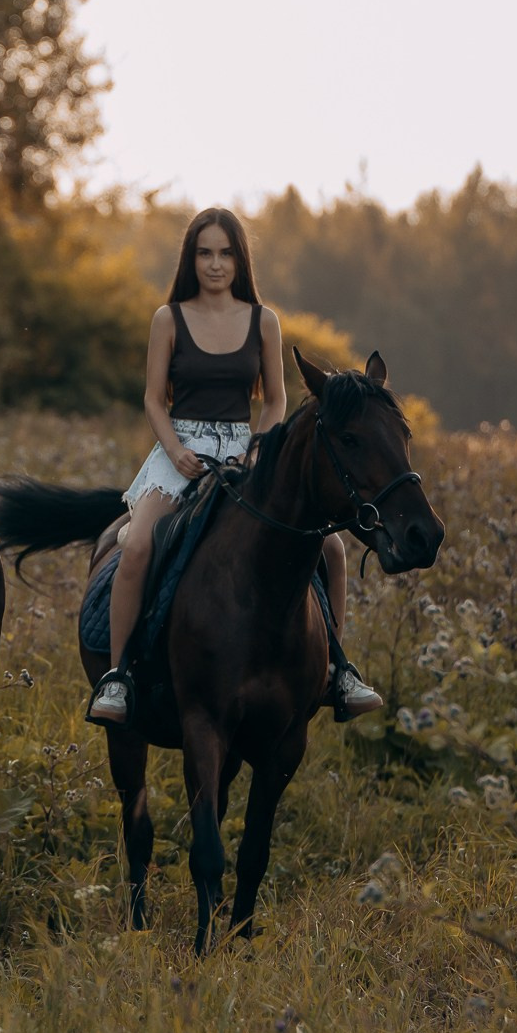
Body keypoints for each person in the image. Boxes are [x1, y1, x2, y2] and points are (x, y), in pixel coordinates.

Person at [88, 207, 382, 726]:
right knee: (135, 545)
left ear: (239, 258)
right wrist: (176, 449)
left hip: (245, 451)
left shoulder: (263, 320)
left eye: (225, 253)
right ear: (191, 258)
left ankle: (338, 669)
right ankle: (119, 677)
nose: (215, 264)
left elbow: (274, 401)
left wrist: (256, 448)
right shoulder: (168, 318)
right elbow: (154, 399)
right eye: (205, 253)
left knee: (331, 546)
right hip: (181, 451)